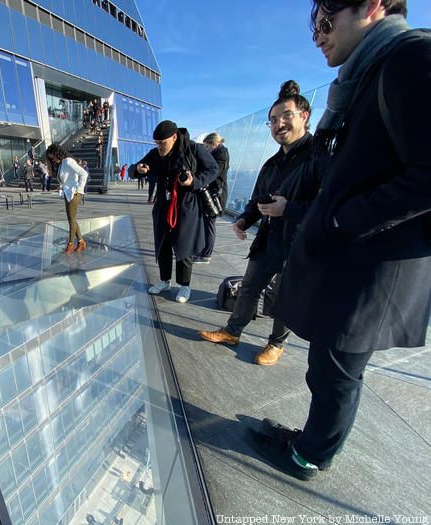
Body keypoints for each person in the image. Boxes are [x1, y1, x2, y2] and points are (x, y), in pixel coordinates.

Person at [250, 0, 431, 482]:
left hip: (374, 268)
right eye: (314, 26)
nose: (317, 36)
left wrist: (341, 221)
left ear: (372, 6)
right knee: (326, 369)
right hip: (354, 264)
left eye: (325, 22)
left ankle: (310, 456)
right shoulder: (371, 72)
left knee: (337, 374)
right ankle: (309, 441)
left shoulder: (411, 58)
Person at [199, 81, 324, 366]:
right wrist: (244, 219)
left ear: (304, 116)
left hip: (301, 242)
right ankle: (233, 331)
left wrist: (289, 209)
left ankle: (276, 343)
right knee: (249, 286)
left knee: (285, 294)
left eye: (286, 116)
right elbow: (258, 199)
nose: (278, 124)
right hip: (269, 238)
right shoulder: (270, 164)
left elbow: (328, 205)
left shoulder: (320, 157)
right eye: (272, 120)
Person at [137, 120, 218, 303]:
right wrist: (140, 169)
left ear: (173, 137)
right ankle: (164, 280)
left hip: (186, 205)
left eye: (162, 143)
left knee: (184, 246)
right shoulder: (155, 153)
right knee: (163, 244)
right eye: (156, 143)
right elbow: (139, 166)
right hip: (162, 205)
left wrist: (194, 181)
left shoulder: (194, 149)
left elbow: (213, 169)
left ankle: (184, 285)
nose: (159, 147)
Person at [46, 143, 88, 255]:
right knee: (72, 219)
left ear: (57, 153)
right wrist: (60, 186)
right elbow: (66, 180)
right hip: (67, 193)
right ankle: (81, 242)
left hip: (74, 194)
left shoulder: (68, 161)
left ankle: (70, 244)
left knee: (71, 220)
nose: (52, 159)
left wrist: (79, 189)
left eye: (53, 157)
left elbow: (84, 174)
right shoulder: (61, 164)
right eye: (51, 158)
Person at [197, 133, 230, 263]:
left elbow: (214, 173)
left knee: (209, 224)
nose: (206, 149)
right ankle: (204, 251)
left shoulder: (220, 154)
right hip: (214, 193)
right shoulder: (220, 153)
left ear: (214, 144)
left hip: (216, 194)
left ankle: (206, 255)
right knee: (207, 223)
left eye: (207, 146)